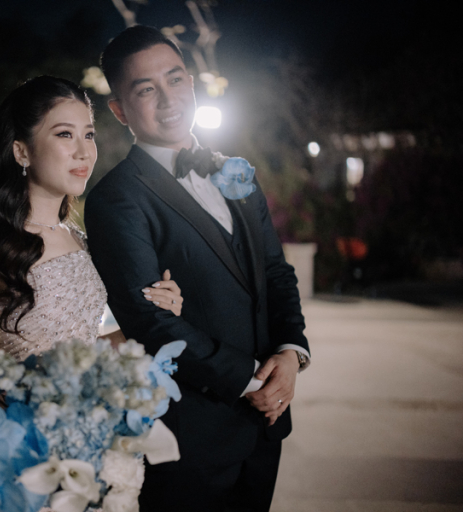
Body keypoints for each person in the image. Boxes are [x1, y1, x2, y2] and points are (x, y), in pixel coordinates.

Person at [84, 26, 311, 512]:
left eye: (175, 80)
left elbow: (275, 273)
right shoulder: (116, 199)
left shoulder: (236, 171)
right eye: (146, 89)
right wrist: (252, 382)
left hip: (264, 428)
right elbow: (149, 322)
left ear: (191, 82)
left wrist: (291, 354)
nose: (168, 99)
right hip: (186, 437)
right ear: (120, 110)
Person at [0, 76, 183, 375]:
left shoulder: (82, 240)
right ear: (21, 152)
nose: (84, 151)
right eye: (65, 134)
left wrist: (157, 314)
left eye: (89, 135)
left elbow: (87, 352)